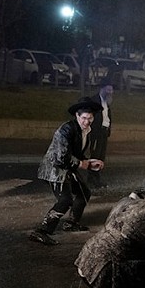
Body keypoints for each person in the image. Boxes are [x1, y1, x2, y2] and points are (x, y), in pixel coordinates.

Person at [29, 97, 104, 246]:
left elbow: (78, 153)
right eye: (84, 118)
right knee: (65, 200)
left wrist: (90, 161)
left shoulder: (86, 131)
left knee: (84, 193)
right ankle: (41, 231)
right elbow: (61, 158)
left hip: (68, 168)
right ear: (77, 116)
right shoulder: (66, 129)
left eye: (90, 118)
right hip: (54, 169)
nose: (87, 122)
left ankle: (71, 223)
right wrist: (84, 165)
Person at [88, 77, 114, 189]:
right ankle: (93, 179)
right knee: (96, 156)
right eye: (108, 90)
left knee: (101, 156)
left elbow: (107, 116)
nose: (110, 93)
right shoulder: (94, 101)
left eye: (111, 91)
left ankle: (94, 178)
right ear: (102, 89)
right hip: (96, 132)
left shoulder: (106, 102)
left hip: (104, 132)